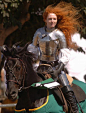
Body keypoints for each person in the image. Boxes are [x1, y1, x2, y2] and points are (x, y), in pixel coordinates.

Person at [27, 1, 85, 81]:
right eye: (50, 19)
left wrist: (58, 70)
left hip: (55, 68)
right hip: (40, 67)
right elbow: (32, 50)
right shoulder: (38, 32)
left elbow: (65, 54)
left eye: (54, 19)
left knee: (68, 91)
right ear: (45, 19)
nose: (52, 21)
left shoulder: (60, 34)